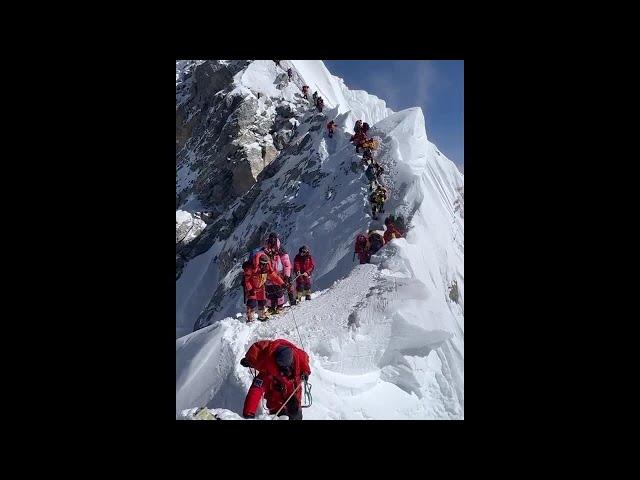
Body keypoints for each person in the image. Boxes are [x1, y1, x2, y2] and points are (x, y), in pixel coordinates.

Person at [240, 339, 311, 420]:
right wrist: (249, 413)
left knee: (296, 416)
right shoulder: (267, 370)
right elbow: (256, 390)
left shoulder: (298, 356)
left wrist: (306, 372)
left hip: (294, 399)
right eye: (284, 368)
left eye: (289, 366)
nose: (288, 370)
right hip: (277, 404)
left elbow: (304, 362)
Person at [243, 251, 285, 322]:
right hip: (252, 288)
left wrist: (282, 283)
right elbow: (247, 280)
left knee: (262, 302)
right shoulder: (251, 267)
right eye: (263, 263)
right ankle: (249, 318)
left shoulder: (267, 267)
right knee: (252, 302)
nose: (264, 265)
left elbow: (274, 276)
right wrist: (250, 289)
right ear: (259, 262)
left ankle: (261, 316)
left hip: (261, 286)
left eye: (265, 264)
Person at [263, 232, 296, 310]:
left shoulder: (280, 249)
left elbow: (287, 264)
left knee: (285, 286)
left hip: (281, 273)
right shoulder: (267, 248)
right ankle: (271, 307)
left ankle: (290, 301)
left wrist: (287, 276)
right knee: (270, 290)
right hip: (271, 273)